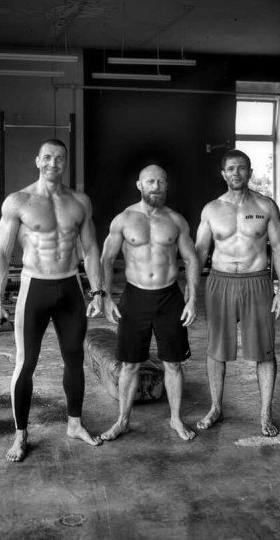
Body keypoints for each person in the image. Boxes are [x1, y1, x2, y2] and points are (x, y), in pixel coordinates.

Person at [0, 139, 105, 462]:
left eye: (60, 158)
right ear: (37, 161)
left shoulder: (79, 202)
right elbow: (1, 253)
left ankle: (75, 424)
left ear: (65, 162)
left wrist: (97, 291)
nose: (54, 163)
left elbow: (90, 249)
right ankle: (20, 435)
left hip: (70, 287)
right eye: (48, 158)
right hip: (34, 288)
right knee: (25, 363)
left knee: (74, 359)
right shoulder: (19, 202)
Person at [98, 165, 201, 442]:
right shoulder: (124, 219)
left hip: (170, 298)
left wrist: (192, 298)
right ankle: (122, 421)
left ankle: (176, 419)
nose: (156, 186)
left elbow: (191, 259)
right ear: (139, 184)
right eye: (150, 181)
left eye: (161, 182)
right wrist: (106, 297)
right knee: (129, 365)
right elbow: (106, 259)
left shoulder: (176, 220)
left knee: (174, 364)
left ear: (167, 185)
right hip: (135, 297)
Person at [194, 150, 280, 436]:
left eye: (242, 168)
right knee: (216, 350)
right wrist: (190, 291)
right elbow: (200, 251)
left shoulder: (266, 206)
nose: (236, 172)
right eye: (231, 168)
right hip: (220, 282)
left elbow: (279, 248)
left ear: (250, 172)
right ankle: (215, 407)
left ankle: (265, 413)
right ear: (223, 174)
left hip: (257, 282)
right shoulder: (211, 209)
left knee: (265, 351)